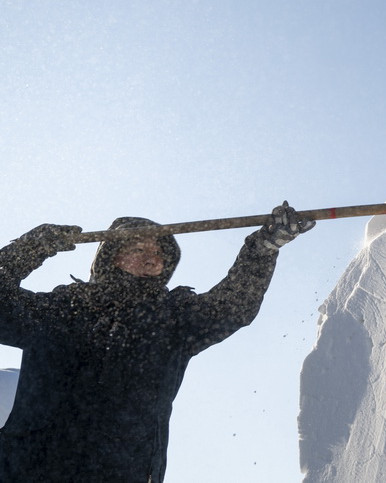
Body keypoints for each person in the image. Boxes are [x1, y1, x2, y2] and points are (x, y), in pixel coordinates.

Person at [0, 201, 314, 482]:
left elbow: (234, 306)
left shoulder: (173, 319)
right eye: (139, 250)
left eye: (159, 253)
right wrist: (28, 249)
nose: (152, 258)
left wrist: (261, 249)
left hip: (126, 472)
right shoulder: (65, 309)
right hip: (33, 467)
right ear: (112, 258)